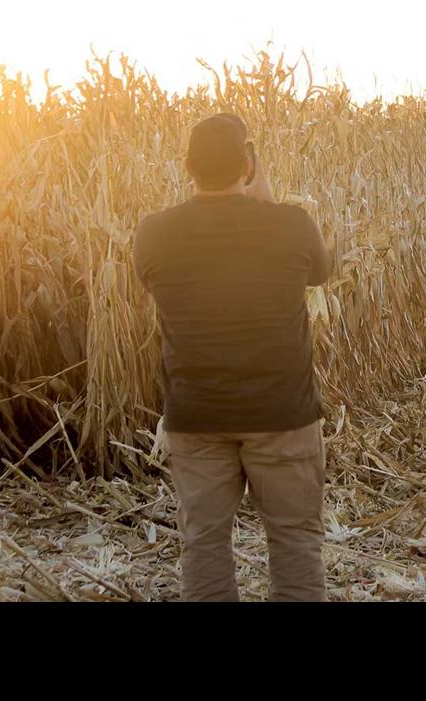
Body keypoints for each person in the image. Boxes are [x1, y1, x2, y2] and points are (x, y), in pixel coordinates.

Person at [133, 112, 333, 602]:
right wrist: (261, 195)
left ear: (187, 166)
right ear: (247, 162)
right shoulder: (291, 225)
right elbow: (321, 273)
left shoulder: (154, 233)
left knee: (203, 544)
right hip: (283, 415)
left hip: (197, 417)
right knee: (294, 540)